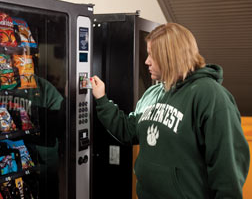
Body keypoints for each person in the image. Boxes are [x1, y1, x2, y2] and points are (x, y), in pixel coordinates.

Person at [90, 23, 250, 199]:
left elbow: (227, 169)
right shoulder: (153, 93)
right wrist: (102, 99)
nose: (146, 61)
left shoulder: (210, 95)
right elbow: (128, 131)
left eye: (152, 54)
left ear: (169, 56)